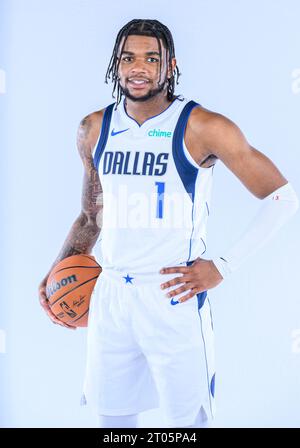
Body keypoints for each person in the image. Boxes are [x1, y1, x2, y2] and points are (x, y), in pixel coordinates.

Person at [38, 19, 299, 428]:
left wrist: (222, 267)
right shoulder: (94, 129)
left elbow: (282, 199)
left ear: (170, 65)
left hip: (173, 295)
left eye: (150, 58)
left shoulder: (203, 127)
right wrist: (58, 268)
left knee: (186, 425)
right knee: (113, 423)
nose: (137, 68)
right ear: (115, 65)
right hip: (110, 295)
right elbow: (92, 214)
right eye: (128, 58)